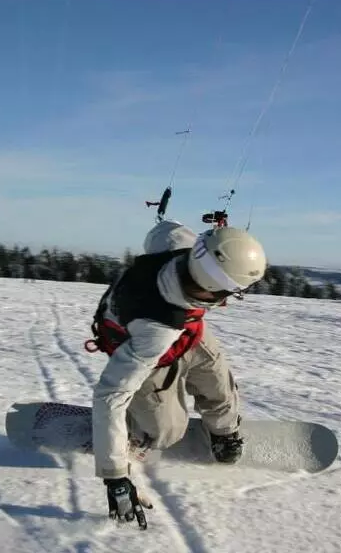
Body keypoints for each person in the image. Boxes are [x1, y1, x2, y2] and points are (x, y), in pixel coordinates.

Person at [85, 219, 267, 529]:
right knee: (167, 432)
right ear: (214, 288)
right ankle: (135, 434)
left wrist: (222, 233)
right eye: (232, 292)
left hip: (186, 333)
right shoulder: (155, 330)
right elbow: (110, 394)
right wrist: (115, 476)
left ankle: (222, 431)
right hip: (150, 351)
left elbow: (163, 228)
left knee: (217, 379)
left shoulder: (179, 245)